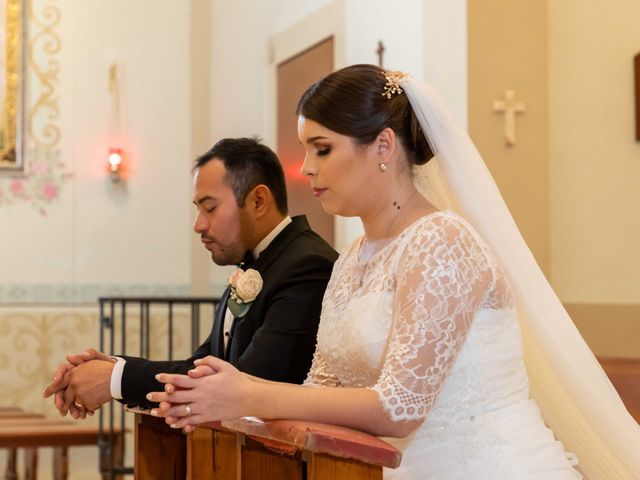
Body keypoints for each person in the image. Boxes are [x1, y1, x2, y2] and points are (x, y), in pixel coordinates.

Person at [147, 66, 640, 479]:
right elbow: (320, 390)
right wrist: (215, 396)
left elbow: (400, 407)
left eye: (322, 149)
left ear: (383, 146)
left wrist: (248, 393)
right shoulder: (351, 259)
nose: (306, 169)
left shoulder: (442, 243)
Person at [43, 137, 338, 416]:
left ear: (258, 201)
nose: (198, 225)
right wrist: (112, 367)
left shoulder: (307, 266)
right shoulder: (255, 264)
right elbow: (200, 366)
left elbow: (245, 385)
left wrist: (114, 378)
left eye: (210, 208)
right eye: (199, 210)